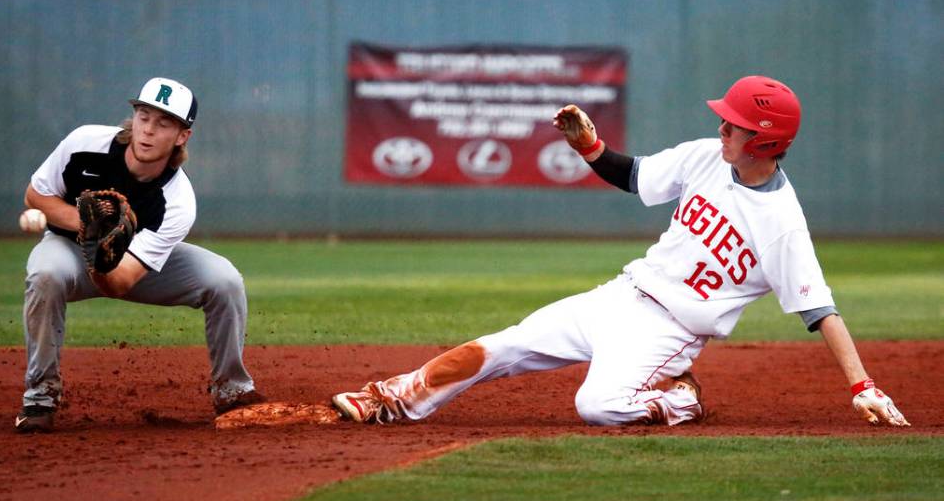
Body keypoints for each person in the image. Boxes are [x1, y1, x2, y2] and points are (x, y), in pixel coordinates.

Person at [330, 75, 909, 428]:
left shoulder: (782, 222)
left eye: (733, 125)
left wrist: (862, 386)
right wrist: (590, 146)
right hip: (621, 295)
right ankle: (393, 399)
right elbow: (634, 176)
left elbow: (819, 310)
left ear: (766, 141)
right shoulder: (707, 157)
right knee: (504, 344)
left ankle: (680, 400)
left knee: (598, 406)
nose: (722, 128)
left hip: (670, 332)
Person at [15, 77, 264, 432]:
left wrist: (102, 254)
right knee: (44, 275)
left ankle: (232, 391)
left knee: (223, 279)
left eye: (163, 123)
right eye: (144, 117)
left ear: (182, 136)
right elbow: (36, 196)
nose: (148, 130)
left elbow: (120, 283)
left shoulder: (177, 201)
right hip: (67, 250)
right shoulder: (84, 142)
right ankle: (40, 397)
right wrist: (87, 226)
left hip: (129, 264)